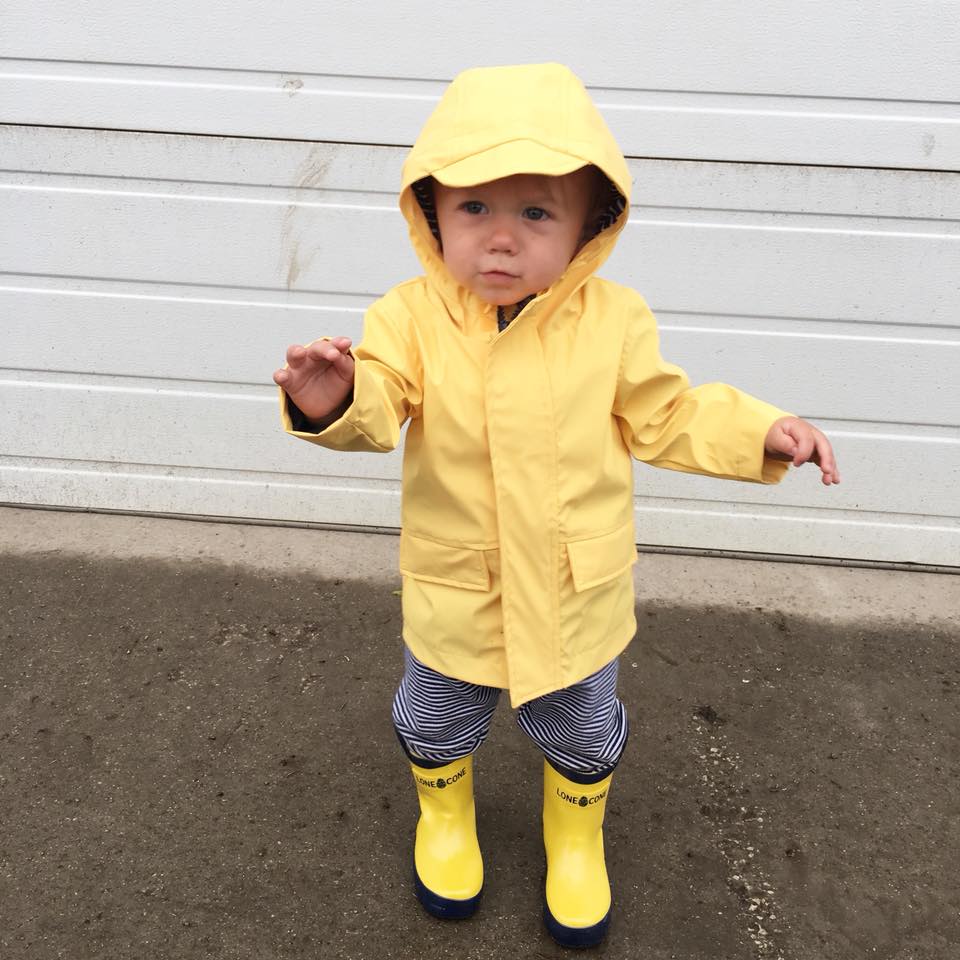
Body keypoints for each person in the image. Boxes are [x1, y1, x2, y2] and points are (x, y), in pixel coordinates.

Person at [273, 62, 839, 947]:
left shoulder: (613, 320)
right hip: (462, 588)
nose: (501, 240)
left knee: (582, 732)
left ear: (589, 225)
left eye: (535, 212)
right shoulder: (410, 319)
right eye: (474, 210)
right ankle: (445, 817)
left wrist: (758, 432)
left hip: (576, 590)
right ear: (431, 215)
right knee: (434, 716)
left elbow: (668, 413)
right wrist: (331, 399)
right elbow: (379, 404)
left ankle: (575, 835)